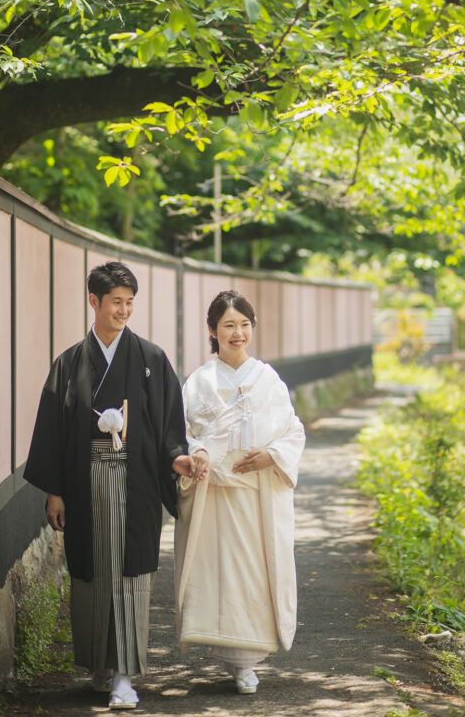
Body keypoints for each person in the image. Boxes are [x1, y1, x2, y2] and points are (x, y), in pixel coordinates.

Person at [24, 261, 194, 711]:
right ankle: (100, 664)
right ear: (93, 301)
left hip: (137, 483)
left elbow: (169, 424)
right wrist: (55, 490)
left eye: (130, 302)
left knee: (130, 574)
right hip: (85, 485)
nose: (124, 310)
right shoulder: (69, 364)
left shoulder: (151, 360)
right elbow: (52, 432)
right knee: (92, 572)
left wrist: (176, 456)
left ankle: (124, 674)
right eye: (116, 302)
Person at [174, 289, 306, 695]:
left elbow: (292, 430)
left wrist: (273, 455)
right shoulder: (199, 381)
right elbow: (183, 432)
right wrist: (197, 452)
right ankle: (234, 658)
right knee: (222, 576)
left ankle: (248, 663)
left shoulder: (268, 379)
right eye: (229, 325)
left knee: (253, 575)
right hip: (215, 493)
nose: (238, 333)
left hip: (256, 495)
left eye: (245, 325)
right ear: (212, 330)